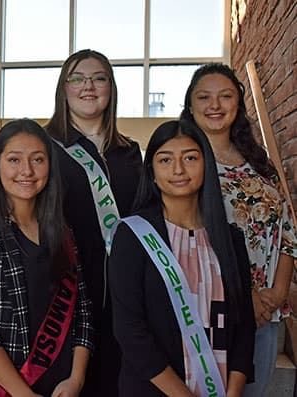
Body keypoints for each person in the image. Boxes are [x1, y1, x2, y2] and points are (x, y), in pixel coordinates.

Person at [109, 119, 255, 396]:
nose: (178, 169)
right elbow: (130, 331)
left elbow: (244, 325)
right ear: (151, 170)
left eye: (190, 157)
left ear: (206, 165)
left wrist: (234, 392)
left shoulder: (231, 240)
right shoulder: (132, 236)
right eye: (165, 160)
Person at [180, 63, 297, 396]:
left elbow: (287, 231)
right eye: (205, 97)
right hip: (212, 306)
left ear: (238, 104)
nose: (215, 105)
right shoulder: (185, 162)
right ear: (191, 105)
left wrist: (277, 292)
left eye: (226, 96)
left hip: (266, 312)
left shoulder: (258, 161)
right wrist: (244, 294)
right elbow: (189, 237)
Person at [0, 119, 94, 397]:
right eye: (14, 160)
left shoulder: (61, 231)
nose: (27, 171)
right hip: (6, 388)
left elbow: (83, 311)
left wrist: (76, 380)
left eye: (38, 159)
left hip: (63, 387)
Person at [45, 49, 142, 396]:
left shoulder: (130, 152)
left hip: (126, 293)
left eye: (99, 78)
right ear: (64, 88)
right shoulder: (46, 148)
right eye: (77, 78)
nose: (89, 86)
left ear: (110, 88)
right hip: (67, 293)